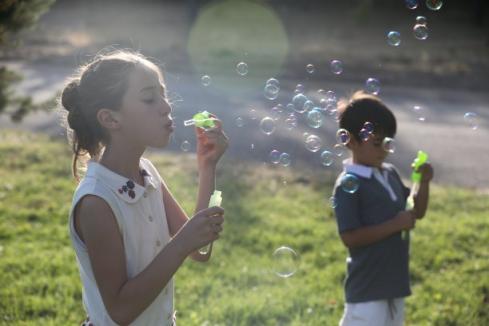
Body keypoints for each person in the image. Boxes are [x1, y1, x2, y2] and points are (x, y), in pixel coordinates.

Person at [60, 50, 228, 326]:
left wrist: (207, 166)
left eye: (163, 94)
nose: (166, 106)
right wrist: (182, 242)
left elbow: (199, 249)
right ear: (111, 119)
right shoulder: (97, 201)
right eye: (150, 98)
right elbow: (121, 311)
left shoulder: (147, 174)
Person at [332, 91, 433, 326]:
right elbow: (350, 237)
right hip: (367, 288)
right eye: (377, 143)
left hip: (394, 284)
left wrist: (424, 182)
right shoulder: (347, 185)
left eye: (388, 142)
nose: (384, 150)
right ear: (350, 141)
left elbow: (416, 212)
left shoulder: (389, 173)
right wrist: (395, 224)